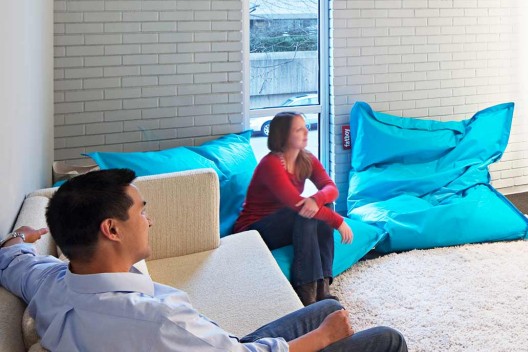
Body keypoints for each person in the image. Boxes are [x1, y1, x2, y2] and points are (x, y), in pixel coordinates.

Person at [0, 168, 407, 352]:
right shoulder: (155, 320)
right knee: (386, 339)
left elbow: (11, 259)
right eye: (141, 212)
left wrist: (21, 236)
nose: (149, 220)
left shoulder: (50, 282)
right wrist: (321, 340)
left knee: (328, 309)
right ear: (112, 229)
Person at [234, 112, 354, 305]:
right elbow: (297, 205)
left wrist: (316, 198)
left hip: (287, 222)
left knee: (323, 206)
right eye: (298, 129)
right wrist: (338, 221)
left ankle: (323, 288)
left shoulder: (306, 159)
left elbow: (330, 188)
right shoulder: (270, 164)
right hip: (254, 229)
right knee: (308, 214)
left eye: (305, 127)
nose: (306, 131)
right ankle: (306, 291)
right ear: (283, 136)